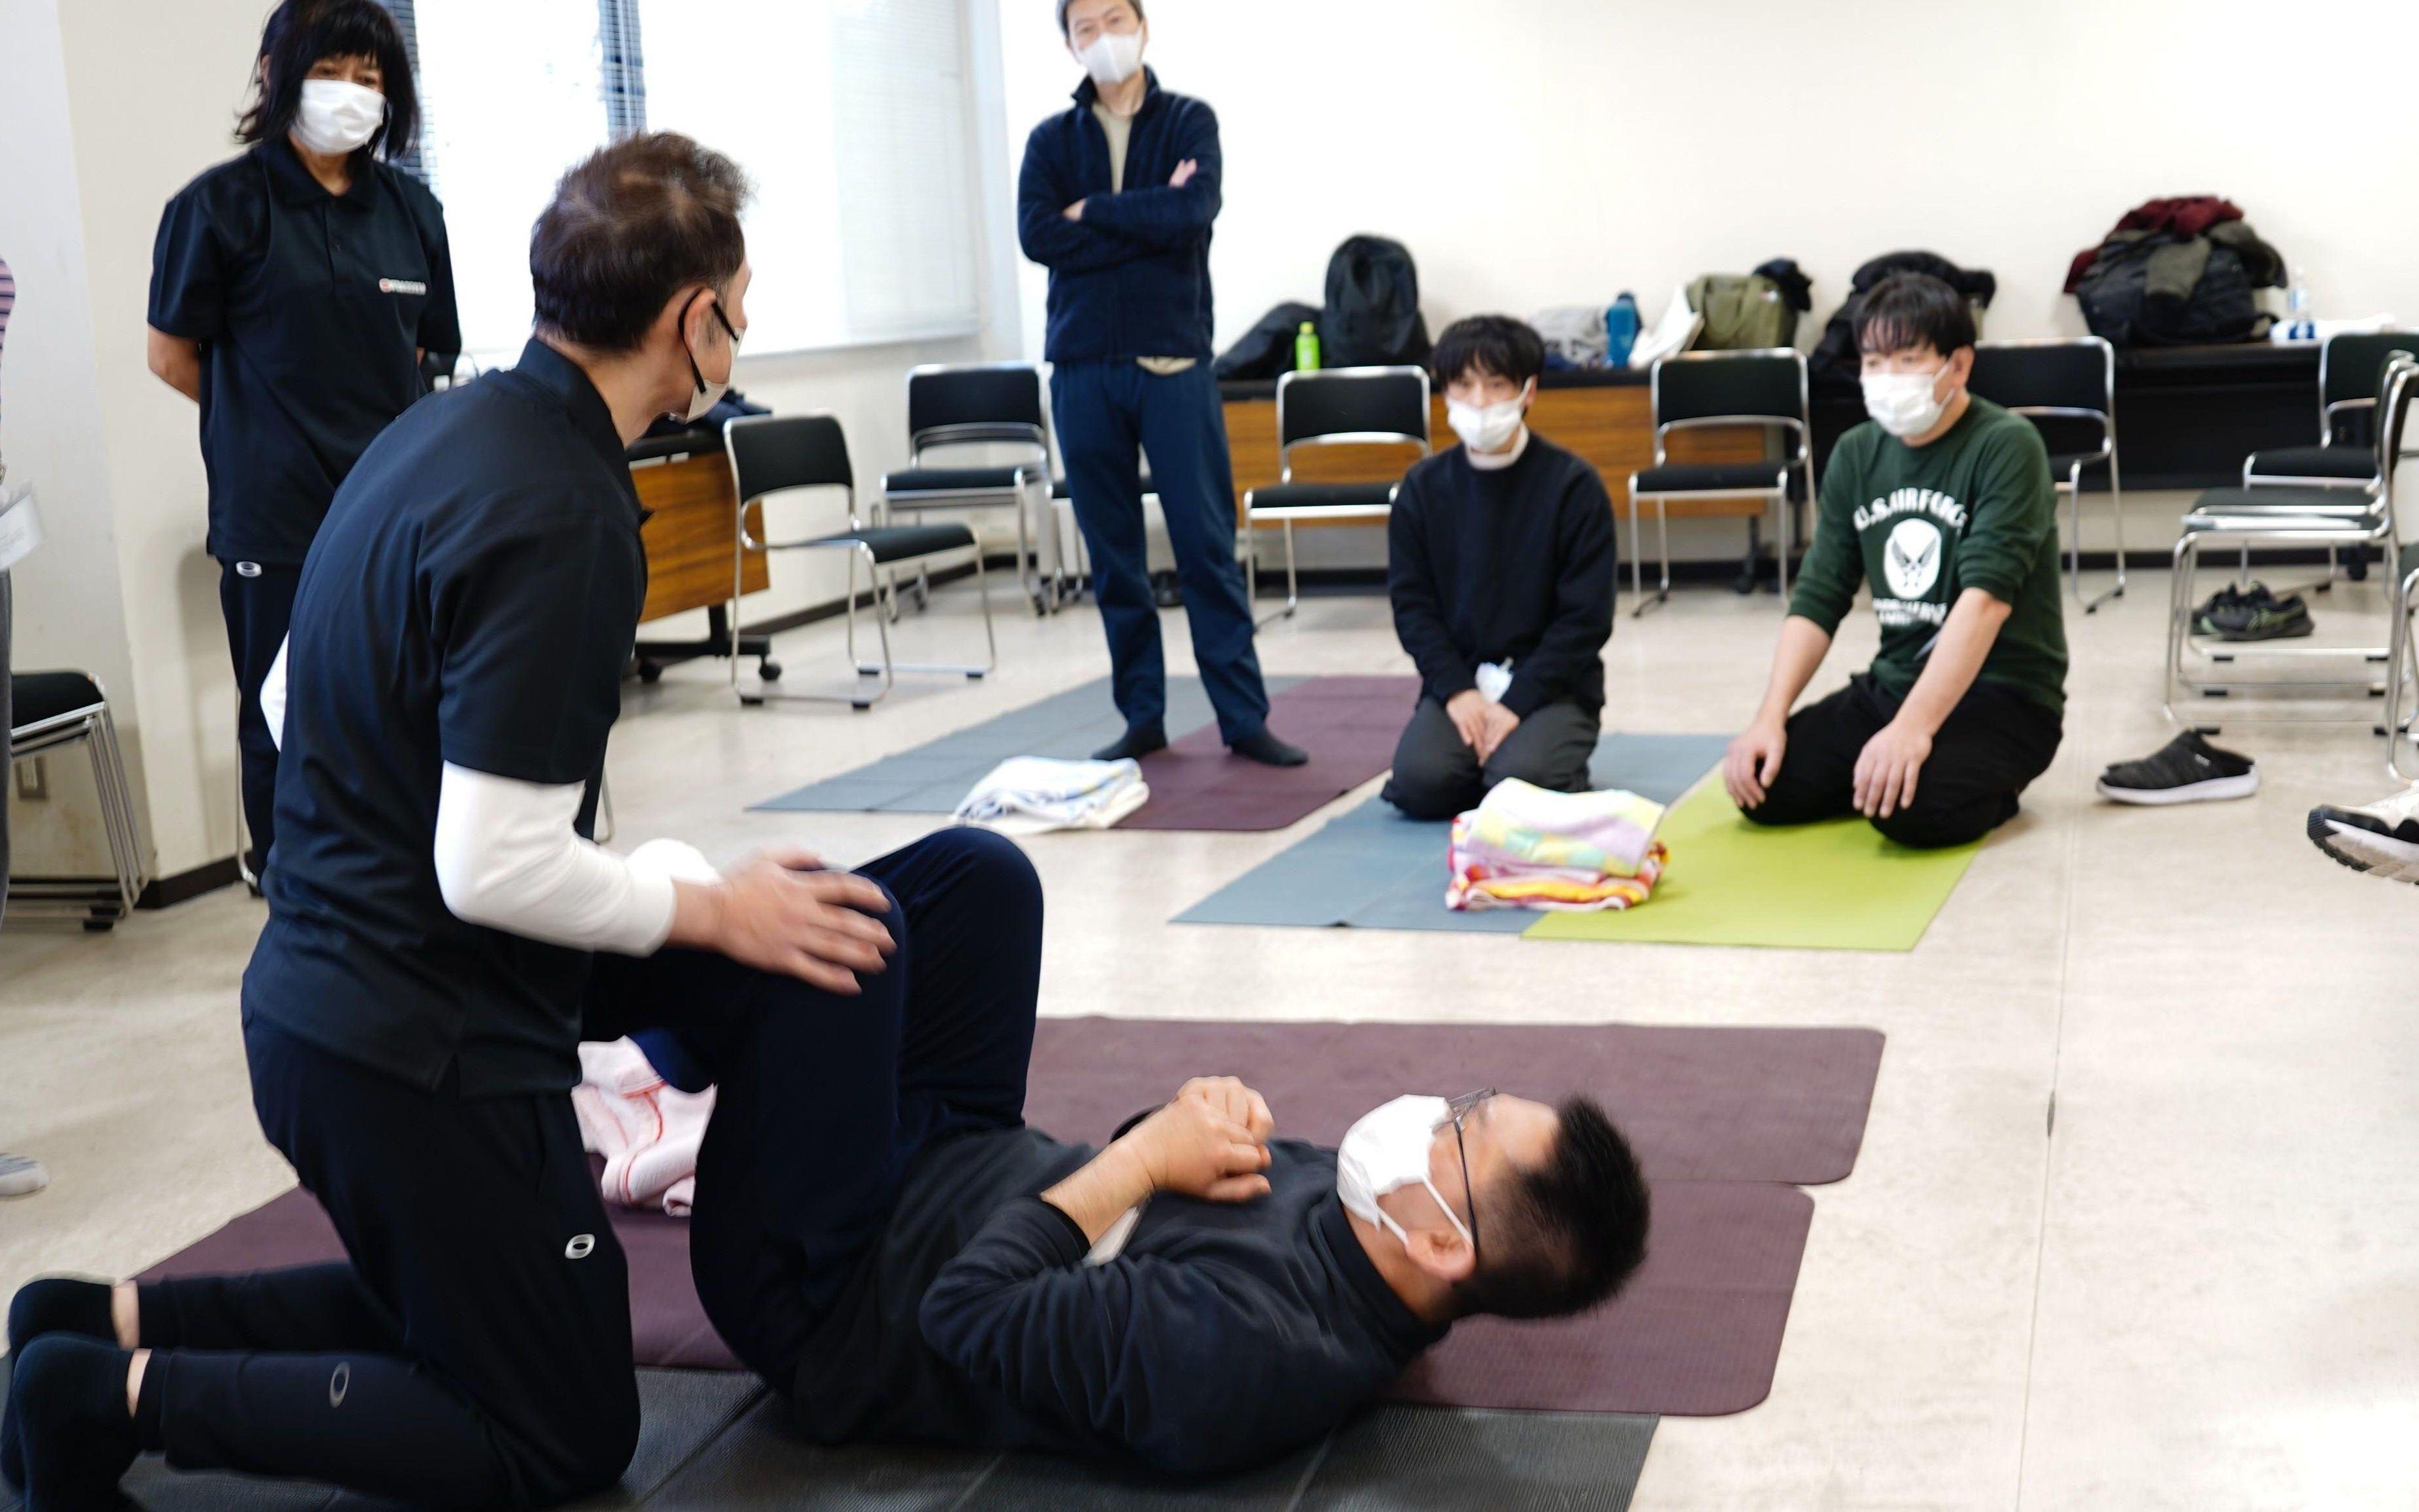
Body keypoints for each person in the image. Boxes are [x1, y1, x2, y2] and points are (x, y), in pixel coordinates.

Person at [0, 133, 907, 1509]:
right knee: (559, 1430)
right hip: (410, 1054)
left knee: (479, 1312)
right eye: (739, 304)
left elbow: (293, 697)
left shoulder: (442, 428)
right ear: (693, 322)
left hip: (320, 1000)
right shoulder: (568, 514)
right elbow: (493, 864)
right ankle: (106, 1399)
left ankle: (103, 1320)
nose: (740, 330)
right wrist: (714, 909)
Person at [579, 829, 1652, 1479]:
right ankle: (685, 1029)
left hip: (832, 1297)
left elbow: (965, 1312)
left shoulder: (1247, 1350)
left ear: (1445, 1246)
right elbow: (1144, 1183)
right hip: (957, 1155)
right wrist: (1182, 1118)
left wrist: (1143, 1164)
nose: (1435, 1111)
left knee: (848, 953)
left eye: (1461, 1128)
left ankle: (568, 989)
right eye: (1469, 1101)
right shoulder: (1375, 1218)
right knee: (986, 879)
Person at [147, 0, 459, 880]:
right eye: (328, 72)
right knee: (283, 714)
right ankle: (293, 887)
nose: (349, 93)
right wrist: (265, 417)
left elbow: (430, 348)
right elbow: (170, 355)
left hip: (394, 513)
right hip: (274, 517)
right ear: (275, 74)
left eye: (368, 77)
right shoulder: (216, 208)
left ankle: (402, 886)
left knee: (405, 703)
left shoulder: (412, 210)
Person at [1019, 0, 1305, 769]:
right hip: (1082, 368)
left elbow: (1195, 209)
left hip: (1173, 365)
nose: (1102, 37)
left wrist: (1092, 212)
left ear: (1142, 26)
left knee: (1205, 547)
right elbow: (1038, 236)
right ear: (1070, 46)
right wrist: (1149, 222)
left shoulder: (1187, 121)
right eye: (1085, 28)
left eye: (1114, 18)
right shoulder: (1050, 140)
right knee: (1113, 558)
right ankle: (1141, 717)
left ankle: (1242, 719)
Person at [1722, 273, 2065, 850]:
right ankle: (1881, 771)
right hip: (1894, 682)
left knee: (1912, 810)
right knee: (1764, 785)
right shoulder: (1856, 452)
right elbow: (1818, 594)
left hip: (2003, 695)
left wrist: (1911, 729)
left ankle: (1989, 784)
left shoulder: (2007, 444)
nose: (1887, 378)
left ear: (1958, 365)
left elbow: (1985, 602)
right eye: (1873, 362)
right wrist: (1768, 717)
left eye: (1907, 360)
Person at [1381, 316, 1616, 820]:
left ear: (1528, 391)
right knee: (1420, 783)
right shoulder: (1421, 489)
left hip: (1552, 687)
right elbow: (1413, 608)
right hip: (1463, 682)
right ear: (1444, 392)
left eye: (1495, 385)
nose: (1479, 402)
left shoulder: (1573, 486)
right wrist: (1457, 692)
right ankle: (1482, 761)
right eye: (1463, 385)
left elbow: (1586, 619)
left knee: (1521, 781)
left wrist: (1516, 703)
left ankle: (1536, 762)